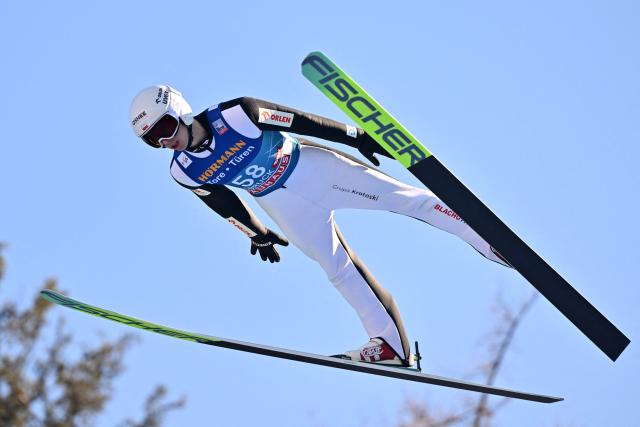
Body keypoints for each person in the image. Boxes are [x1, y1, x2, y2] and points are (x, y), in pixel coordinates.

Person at [129, 85, 511, 367]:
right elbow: (223, 202)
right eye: (152, 140)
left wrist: (356, 136)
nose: (164, 141)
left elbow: (302, 121)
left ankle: (486, 239)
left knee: (407, 201)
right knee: (337, 269)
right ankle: (392, 346)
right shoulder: (183, 172)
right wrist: (256, 233)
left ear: (178, 109)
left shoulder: (236, 114)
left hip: (313, 169)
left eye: (163, 128)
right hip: (281, 203)